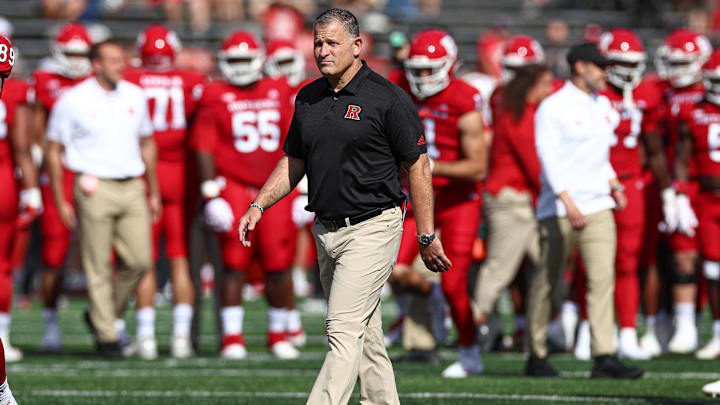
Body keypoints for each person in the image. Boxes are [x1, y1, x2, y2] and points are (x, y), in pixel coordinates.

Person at [237, 8, 447, 404]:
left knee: (341, 330)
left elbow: (418, 166)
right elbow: (294, 160)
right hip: (326, 228)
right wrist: (259, 205)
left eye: (332, 42)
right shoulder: (308, 96)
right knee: (365, 336)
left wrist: (425, 234)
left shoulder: (387, 98)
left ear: (356, 45)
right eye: (318, 42)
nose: (322, 50)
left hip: (373, 225)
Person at [524, 42, 643, 379]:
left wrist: (614, 184)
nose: (607, 72)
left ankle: (604, 354)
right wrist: (567, 200)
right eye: (600, 66)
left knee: (602, 279)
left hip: (598, 205)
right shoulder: (553, 106)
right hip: (560, 208)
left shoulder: (603, 104)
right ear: (580, 67)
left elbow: (600, 156)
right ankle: (536, 352)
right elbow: (546, 158)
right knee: (548, 281)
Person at [189, 30, 301, 360]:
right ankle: (232, 337)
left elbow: (297, 141)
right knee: (234, 263)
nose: (239, 67)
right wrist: (212, 194)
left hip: (275, 186)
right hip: (235, 185)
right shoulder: (214, 93)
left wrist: (302, 187)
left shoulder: (277, 89)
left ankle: (278, 332)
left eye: (244, 59)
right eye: (233, 60)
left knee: (278, 263)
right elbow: (204, 146)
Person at [45, 39, 160, 359]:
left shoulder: (134, 95)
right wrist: (60, 197)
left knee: (141, 260)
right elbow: (54, 148)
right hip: (93, 185)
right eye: (111, 60)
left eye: (121, 59)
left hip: (132, 184)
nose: (119, 65)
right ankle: (107, 335)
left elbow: (148, 142)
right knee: (97, 264)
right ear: (95, 64)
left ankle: (101, 315)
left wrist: (153, 190)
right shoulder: (74, 99)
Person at [391, 29, 487, 378]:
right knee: (388, 266)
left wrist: (429, 166)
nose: (422, 78)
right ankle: (433, 302)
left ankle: (469, 349)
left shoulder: (465, 98)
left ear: (451, 66)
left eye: (431, 69)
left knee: (454, 282)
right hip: (416, 198)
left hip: (457, 198)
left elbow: (477, 166)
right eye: (417, 69)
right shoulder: (398, 86)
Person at [122, 24, 206, 360]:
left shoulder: (131, 78)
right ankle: (182, 336)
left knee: (144, 258)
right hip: (180, 173)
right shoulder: (192, 81)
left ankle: (145, 337)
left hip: (144, 173)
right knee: (179, 256)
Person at [473, 64, 553, 339]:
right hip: (512, 199)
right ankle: (472, 327)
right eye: (544, 84)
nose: (548, 90)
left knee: (549, 265)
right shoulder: (520, 115)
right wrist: (557, 193)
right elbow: (532, 162)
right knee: (499, 269)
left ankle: (545, 327)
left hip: (519, 198)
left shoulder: (512, 107)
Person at [32, 22, 92, 352]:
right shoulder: (44, 81)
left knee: (106, 254)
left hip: (93, 170)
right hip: (58, 171)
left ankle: (107, 324)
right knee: (53, 253)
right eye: (70, 53)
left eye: (80, 53)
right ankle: (51, 327)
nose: (75, 60)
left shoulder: (97, 81)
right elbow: (37, 128)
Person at [654, 29, 711, 354]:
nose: (674, 68)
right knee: (682, 253)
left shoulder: (708, 93)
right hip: (682, 181)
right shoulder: (661, 93)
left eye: (681, 62)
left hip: (706, 180)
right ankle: (684, 324)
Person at [675, 49, 720, 360]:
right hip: (707, 198)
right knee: (713, 269)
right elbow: (681, 157)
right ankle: (718, 333)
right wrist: (677, 194)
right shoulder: (694, 111)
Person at [0, 33, 41, 364]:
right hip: (4, 184)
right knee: (1, 267)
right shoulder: (14, 89)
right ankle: (3, 336)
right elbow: (22, 148)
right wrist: (31, 191)